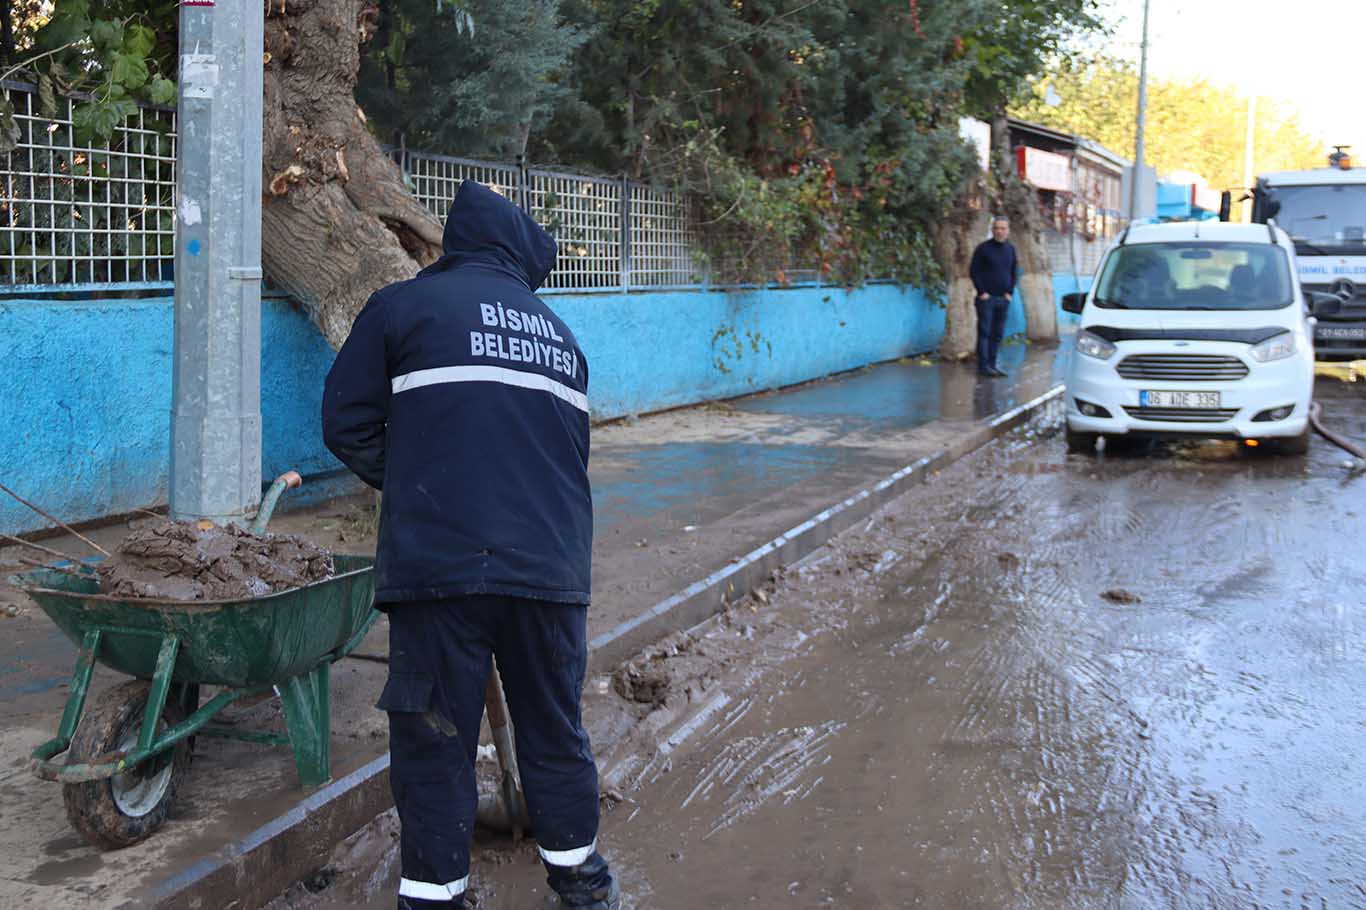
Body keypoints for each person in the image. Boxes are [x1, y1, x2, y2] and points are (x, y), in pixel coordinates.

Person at [322, 180, 619, 910]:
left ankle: (434, 898)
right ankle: (583, 888)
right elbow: (567, 457)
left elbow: (346, 422)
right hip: (549, 571)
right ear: (520, 257)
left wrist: (426, 484)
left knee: (434, 742)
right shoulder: (561, 337)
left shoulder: (402, 307)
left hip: (439, 570)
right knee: (555, 730)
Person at [968, 216, 1019, 378]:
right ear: (992, 229)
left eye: (1003, 228)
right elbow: (974, 271)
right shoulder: (983, 249)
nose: (1000, 231)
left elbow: (1013, 271)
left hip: (1003, 299)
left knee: (997, 333)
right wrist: (982, 292)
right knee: (985, 332)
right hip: (986, 299)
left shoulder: (1010, 249)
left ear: (1008, 231)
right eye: (997, 228)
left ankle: (992, 364)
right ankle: (983, 366)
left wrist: (1009, 293)